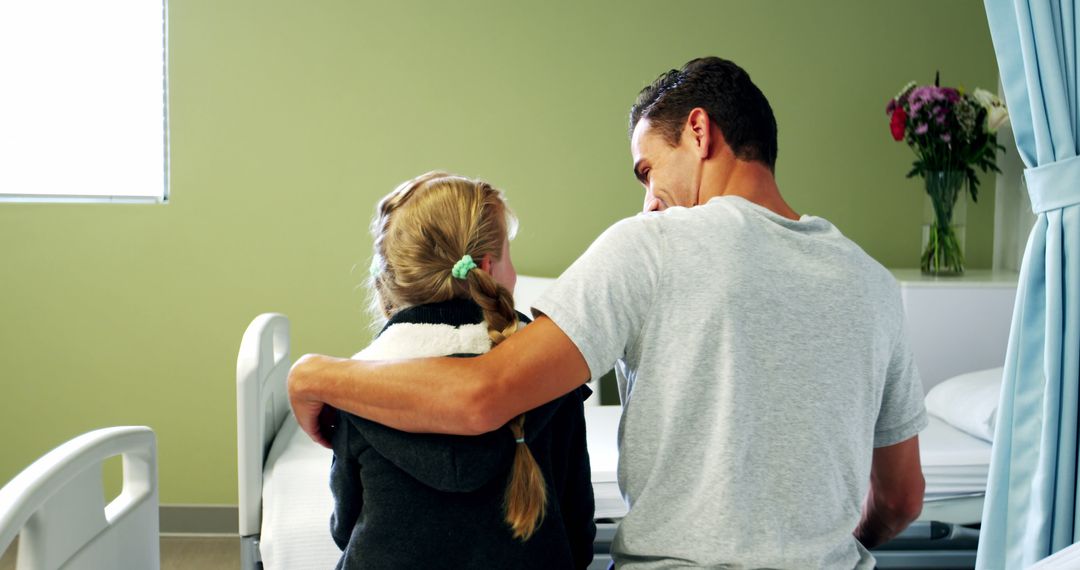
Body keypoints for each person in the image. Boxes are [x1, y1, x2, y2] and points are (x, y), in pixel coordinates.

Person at [290, 57, 927, 569]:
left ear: (700, 132)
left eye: (648, 169)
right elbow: (900, 499)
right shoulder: (873, 283)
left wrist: (314, 376)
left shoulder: (649, 246)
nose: (651, 201)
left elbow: (482, 397)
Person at [327, 171, 595, 569]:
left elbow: (344, 527)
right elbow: (578, 530)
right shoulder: (546, 373)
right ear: (487, 266)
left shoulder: (358, 385)